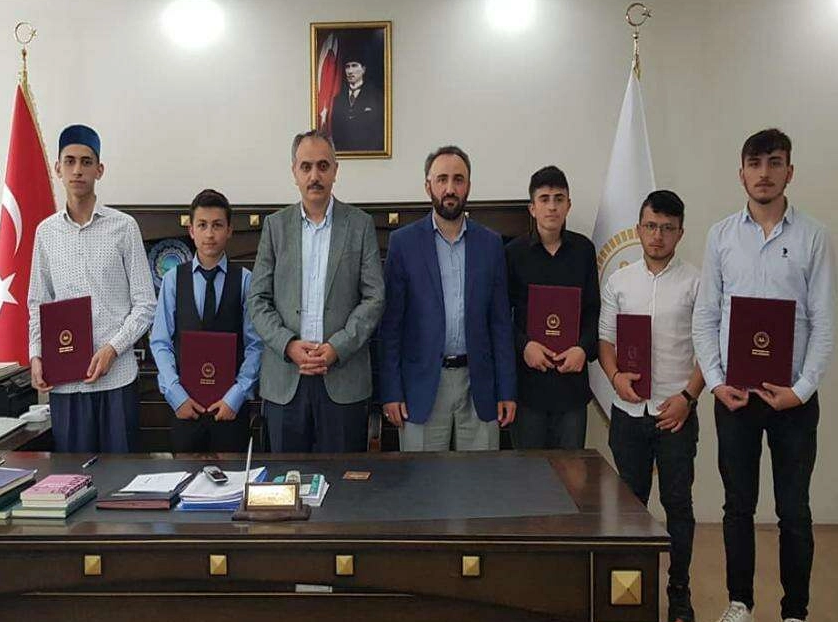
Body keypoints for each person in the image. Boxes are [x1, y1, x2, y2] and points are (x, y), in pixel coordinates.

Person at [694, 129, 835, 622]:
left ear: (789, 172)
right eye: (755, 164)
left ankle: (795, 615)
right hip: (735, 397)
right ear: (741, 173)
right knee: (737, 507)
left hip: (792, 400)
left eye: (774, 163)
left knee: (794, 510)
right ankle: (741, 606)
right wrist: (715, 382)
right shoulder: (720, 236)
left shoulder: (813, 236)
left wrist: (802, 389)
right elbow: (706, 316)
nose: (764, 173)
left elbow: (823, 322)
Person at [599, 190, 704, 622]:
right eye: (650, 226)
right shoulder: (619, 281)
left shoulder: (697, 283)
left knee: (678, 505)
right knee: (630, 507)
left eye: (667, 228)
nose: (658, 235)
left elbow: (709, 351)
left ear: (680, 232)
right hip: (628, 411)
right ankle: (631, 592)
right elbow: (605, 342)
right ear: (638, 228)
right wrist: (615, 377)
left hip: (675, 412)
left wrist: (688, 398)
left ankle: (679, 592)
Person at [247, 129, 384, 453]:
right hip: (286, 380)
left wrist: (337, 347)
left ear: (335, 170)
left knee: (344, 480)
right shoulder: (275, 227)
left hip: (343, 377)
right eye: (306, 167)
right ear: (294, 172)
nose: (314, 176)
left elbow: (374, 297)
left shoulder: (360, 225)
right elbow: (258, 299)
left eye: (323, 166)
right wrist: (288, 345)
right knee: (286, 480)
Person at [28, 124, 157, 453]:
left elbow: (145, 304)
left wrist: (113, 349)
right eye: (69, 161)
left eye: (86, 162)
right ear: (57, 168)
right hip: (65, 383)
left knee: (120, 477)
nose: (77, 170)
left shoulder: (124, 227)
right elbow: (37, 304)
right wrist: (36, 354)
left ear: (99, 170)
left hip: (117, 379)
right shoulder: (45, 233)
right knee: (72, 476)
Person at [379, 145, 516, 451]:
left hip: (479, 386)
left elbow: (500, 324)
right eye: (442, 179)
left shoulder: (491, 244)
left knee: (481, 478)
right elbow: (391, 327)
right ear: (428, 185)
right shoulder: (403, 244)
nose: (450, 188)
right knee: (422, 479)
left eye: (458, 179)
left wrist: (507, 389)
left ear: (469, 186)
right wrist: (391, 391)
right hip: (422, 386)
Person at [150, 189, 262, 453]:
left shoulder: (246, 280)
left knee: (232, 477)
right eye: (202, 225)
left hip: (231, 410)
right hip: (184, 408)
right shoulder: (172, 280)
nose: (209, 234)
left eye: (217, 225)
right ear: (191, 231)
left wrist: (236, 395)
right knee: (186, 476)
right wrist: (175, 394)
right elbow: (160, 342)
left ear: (230, 230)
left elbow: (256, 345)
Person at [505, 166, 600, 449]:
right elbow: (501, 316)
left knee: (571, 470)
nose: (552, 207)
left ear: (568, 205)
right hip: (528, 387)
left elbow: (593, 310)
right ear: (532, 208)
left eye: (559, 199)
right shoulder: (513, 253)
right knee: (528, 471)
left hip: (571, 387)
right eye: (544, 199)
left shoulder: (584, 250)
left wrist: (583, 349)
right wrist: (524, 346)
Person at [330, 52, 384, 152]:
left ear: (363, 69)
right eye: (347, 67)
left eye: (354, 65)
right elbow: (335, 132)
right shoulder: (338, 99)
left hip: (370, 155)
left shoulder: (376, 97)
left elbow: (379, 132)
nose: (350, 71)